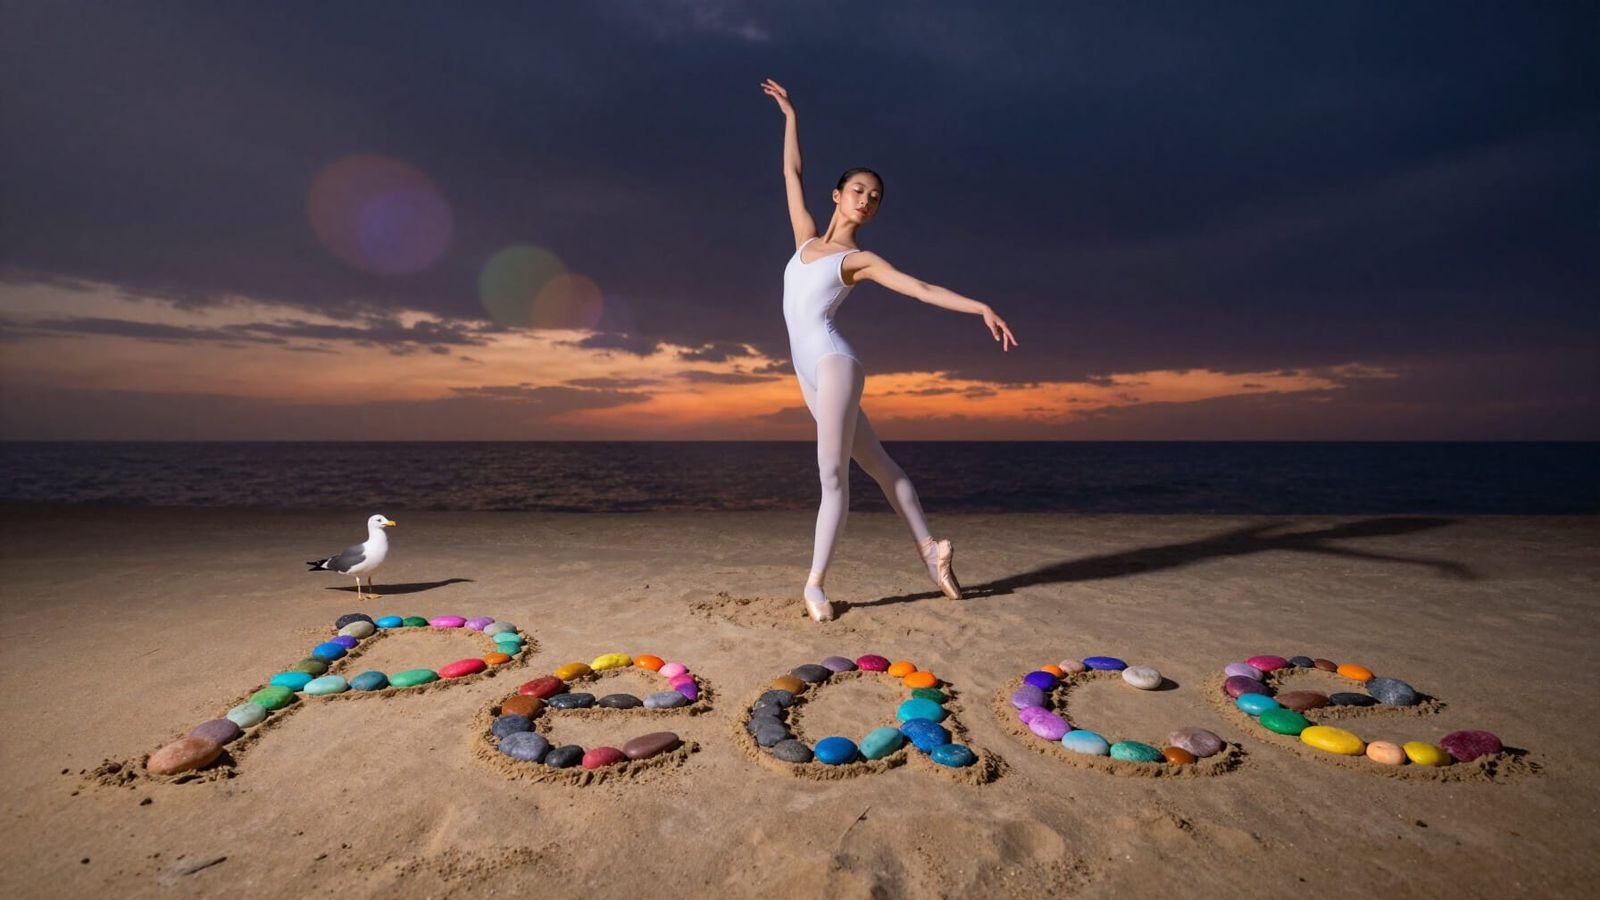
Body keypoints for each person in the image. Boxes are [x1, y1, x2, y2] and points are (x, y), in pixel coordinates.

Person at [761, 78, 1019, 623]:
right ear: (838, 195)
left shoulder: (860, 260)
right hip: (806, 371)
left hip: (835, 363)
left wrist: (979, 306)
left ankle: (814, 585)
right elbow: (791, 173)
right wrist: (790, 115)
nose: (867, 200)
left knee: (831, 473)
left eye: (875, 197)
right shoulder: (806, 239)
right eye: (858, 190)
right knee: (880, 464)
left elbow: (921, 288)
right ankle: (932, 551)